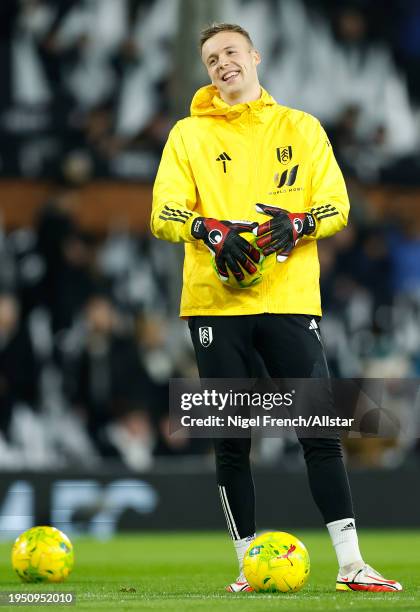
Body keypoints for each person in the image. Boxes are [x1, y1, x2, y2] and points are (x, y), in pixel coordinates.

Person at [151, 23, 402, 593]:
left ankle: (351, 565)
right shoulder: (187, 136)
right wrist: (208, 230)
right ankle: (248, 567)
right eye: (212, 57)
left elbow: (336, 204)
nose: (222, 63)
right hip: (216, 307)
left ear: (255, 56)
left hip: (289, 301)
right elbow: (161, 213)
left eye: (231, 52)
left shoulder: (301, 128)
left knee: (320, 429)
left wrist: (300, 224)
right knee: (233, 439)